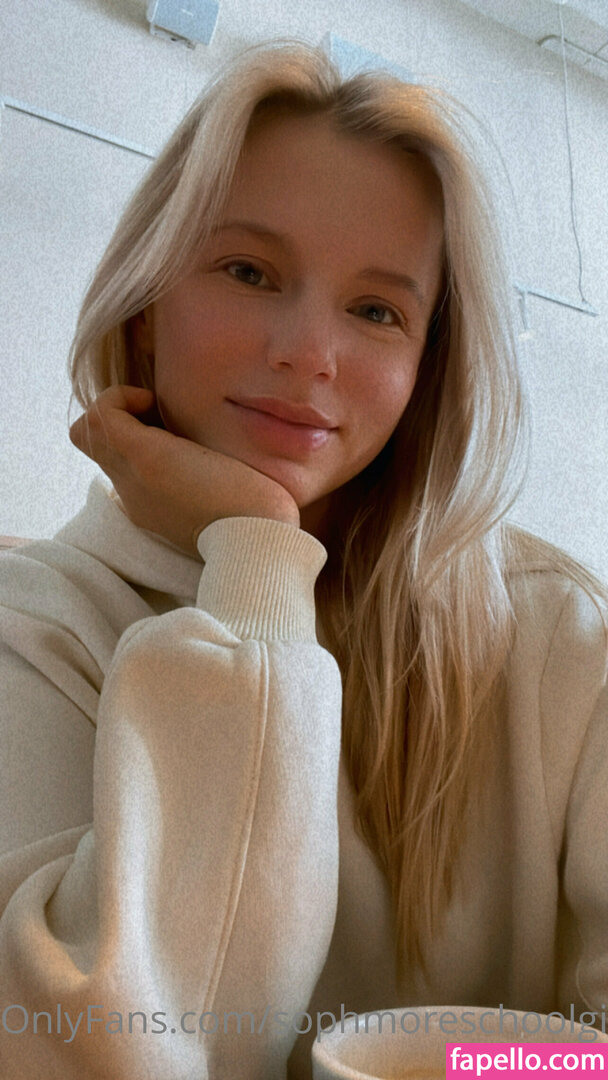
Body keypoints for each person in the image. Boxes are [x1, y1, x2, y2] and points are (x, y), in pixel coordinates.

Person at [0, 38, 606, 1080]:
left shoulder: (557, 634)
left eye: (376, 311)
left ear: (426, 371)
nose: (307, 353)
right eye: (248, 272)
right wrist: (256, 555)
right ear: (145, 312)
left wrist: (469, 1067)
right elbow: (81, 1055)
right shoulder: (37, 631)